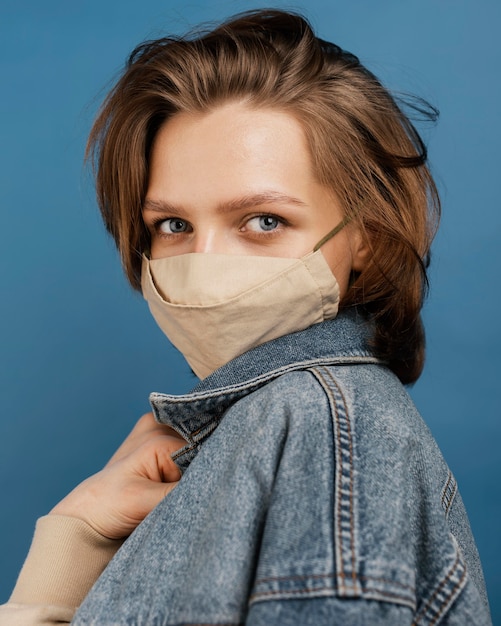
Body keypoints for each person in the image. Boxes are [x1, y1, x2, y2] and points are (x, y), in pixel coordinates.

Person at [0, 9, 492, 625]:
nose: (204, 265)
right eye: (173, 225)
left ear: (365, 238)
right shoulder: (265, 428)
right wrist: (72, 542)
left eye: (264, 221)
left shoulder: (319, 427)